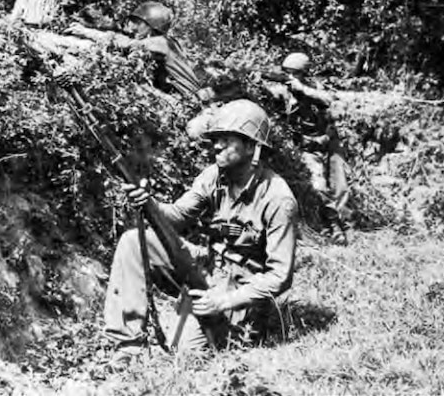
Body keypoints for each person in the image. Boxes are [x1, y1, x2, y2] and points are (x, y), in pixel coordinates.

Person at [103, 99, 299, 364]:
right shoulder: (213, 176)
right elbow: (177, 216)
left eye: (228, 140)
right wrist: (148, 202)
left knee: (183, 353)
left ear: (253, 147)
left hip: (240, 290)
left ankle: (220, 327)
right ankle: (127, 347)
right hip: (208, 265)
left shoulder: (278, 200)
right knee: (134, 242)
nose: (217, 145)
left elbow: (279, 276)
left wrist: (224, 301)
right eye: (216, 138)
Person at [64, 2, 223, 102]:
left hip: (186, 102)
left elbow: (126, 44)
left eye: (138, 23)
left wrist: (88, 33)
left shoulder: (162, 42)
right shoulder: (165, 43)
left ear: (151, 26)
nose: (132, 27)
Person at [268, 53, 351, 244]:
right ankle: (334, 225)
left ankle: (347, 224)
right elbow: (271, 96)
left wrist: (302, 89)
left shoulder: (314, 88)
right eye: (287, 73)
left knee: (341, 186)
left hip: (328, 143)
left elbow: (329, 100)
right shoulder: (284, 92)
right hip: (308, 148)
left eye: (295, 74)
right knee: (318, 186)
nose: (291, 78)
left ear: (304, 74)